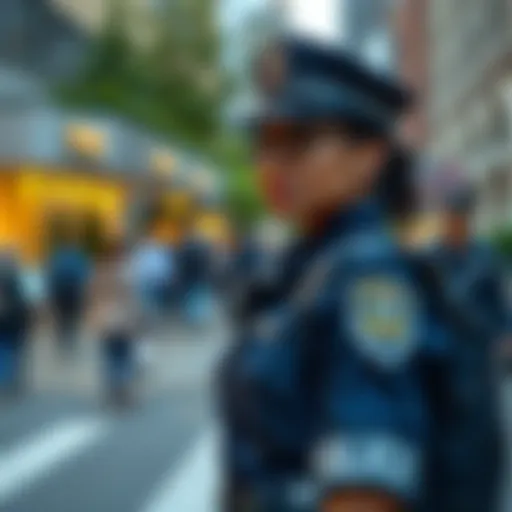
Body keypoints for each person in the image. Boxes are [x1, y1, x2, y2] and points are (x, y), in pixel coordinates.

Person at [217, 37, 463, 512]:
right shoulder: (306, 263)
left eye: (299, 140)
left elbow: (367, 491)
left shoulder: (370, 278)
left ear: (369, 156)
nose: (272, 163)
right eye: (264, 141)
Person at [424, 186, 508, 512]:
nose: (453, 223)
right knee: (443, 449)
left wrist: (505, 336)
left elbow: (500, 308)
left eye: (459, 217)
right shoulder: (430, 259)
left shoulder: (485, 256)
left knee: (483, 450)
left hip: (478, 363)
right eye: (449, 216)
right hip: (441, 363)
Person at [46, 234, 90, 356]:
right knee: (73, 319)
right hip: (74, 293)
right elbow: (84, 276)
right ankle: (71, 342)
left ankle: (61, 342)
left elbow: (51, 276)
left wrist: (50, 296)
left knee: (61, 319)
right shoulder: (78, 257)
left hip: (59, 294)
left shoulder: (56, 257)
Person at [0, 252, 31, 395]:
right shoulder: (15, 279)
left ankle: (7, 380)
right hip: (14, 321)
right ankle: (10, 380)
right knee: (13, 352)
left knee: (5, 350)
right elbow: (22, 303)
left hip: (7, 321)